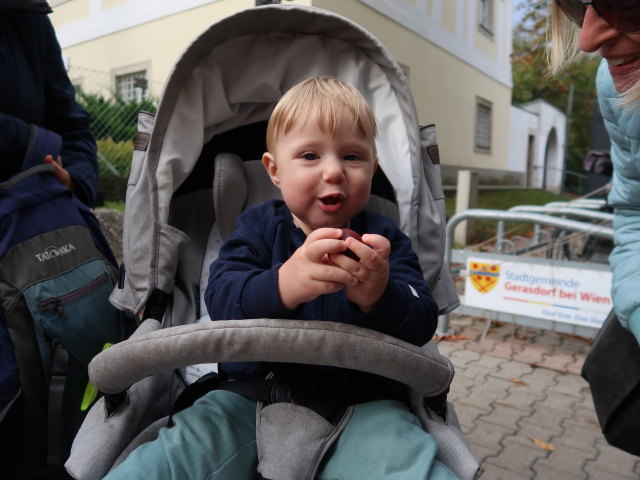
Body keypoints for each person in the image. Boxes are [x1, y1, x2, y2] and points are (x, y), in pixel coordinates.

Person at [104, 77, 457, 479]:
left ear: (373, 168)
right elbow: (221, 297)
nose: (334, 171)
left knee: (407, 463)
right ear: (274, 169)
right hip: (247, 394)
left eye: (353, 157)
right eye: (310, 155)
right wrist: (284, 283)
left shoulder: (384, 241)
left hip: (366, 401)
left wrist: (380, 294)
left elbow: (422, 318)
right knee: (172, 458)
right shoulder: (258, 228)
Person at [549, 1, 640, 346]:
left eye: (626, 4)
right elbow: (634, 211)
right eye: (574, 5)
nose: (587, 40)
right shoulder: (615, 83)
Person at [0, 0, 98, 207]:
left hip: (32, 219)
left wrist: (74, 179)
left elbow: (70, 122)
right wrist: (31, 143)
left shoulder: (29, 14)